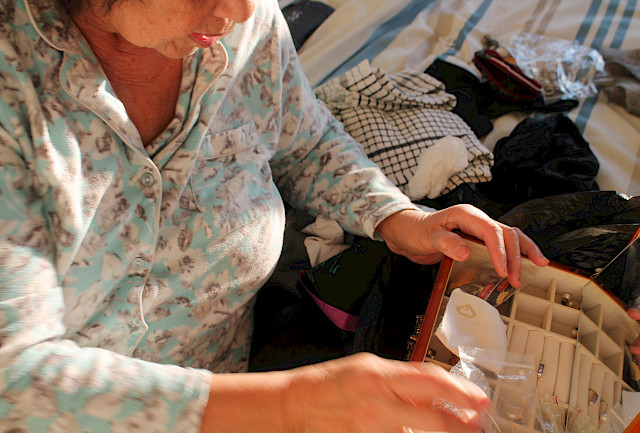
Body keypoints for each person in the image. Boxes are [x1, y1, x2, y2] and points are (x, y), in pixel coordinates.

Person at [0, 0, 555, 432]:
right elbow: (13, 378)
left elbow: (306, 141)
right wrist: (287, 407)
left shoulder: (245, 27)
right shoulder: (14, 87)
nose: (242, 12)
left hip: (234, 383)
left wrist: (399, 219)